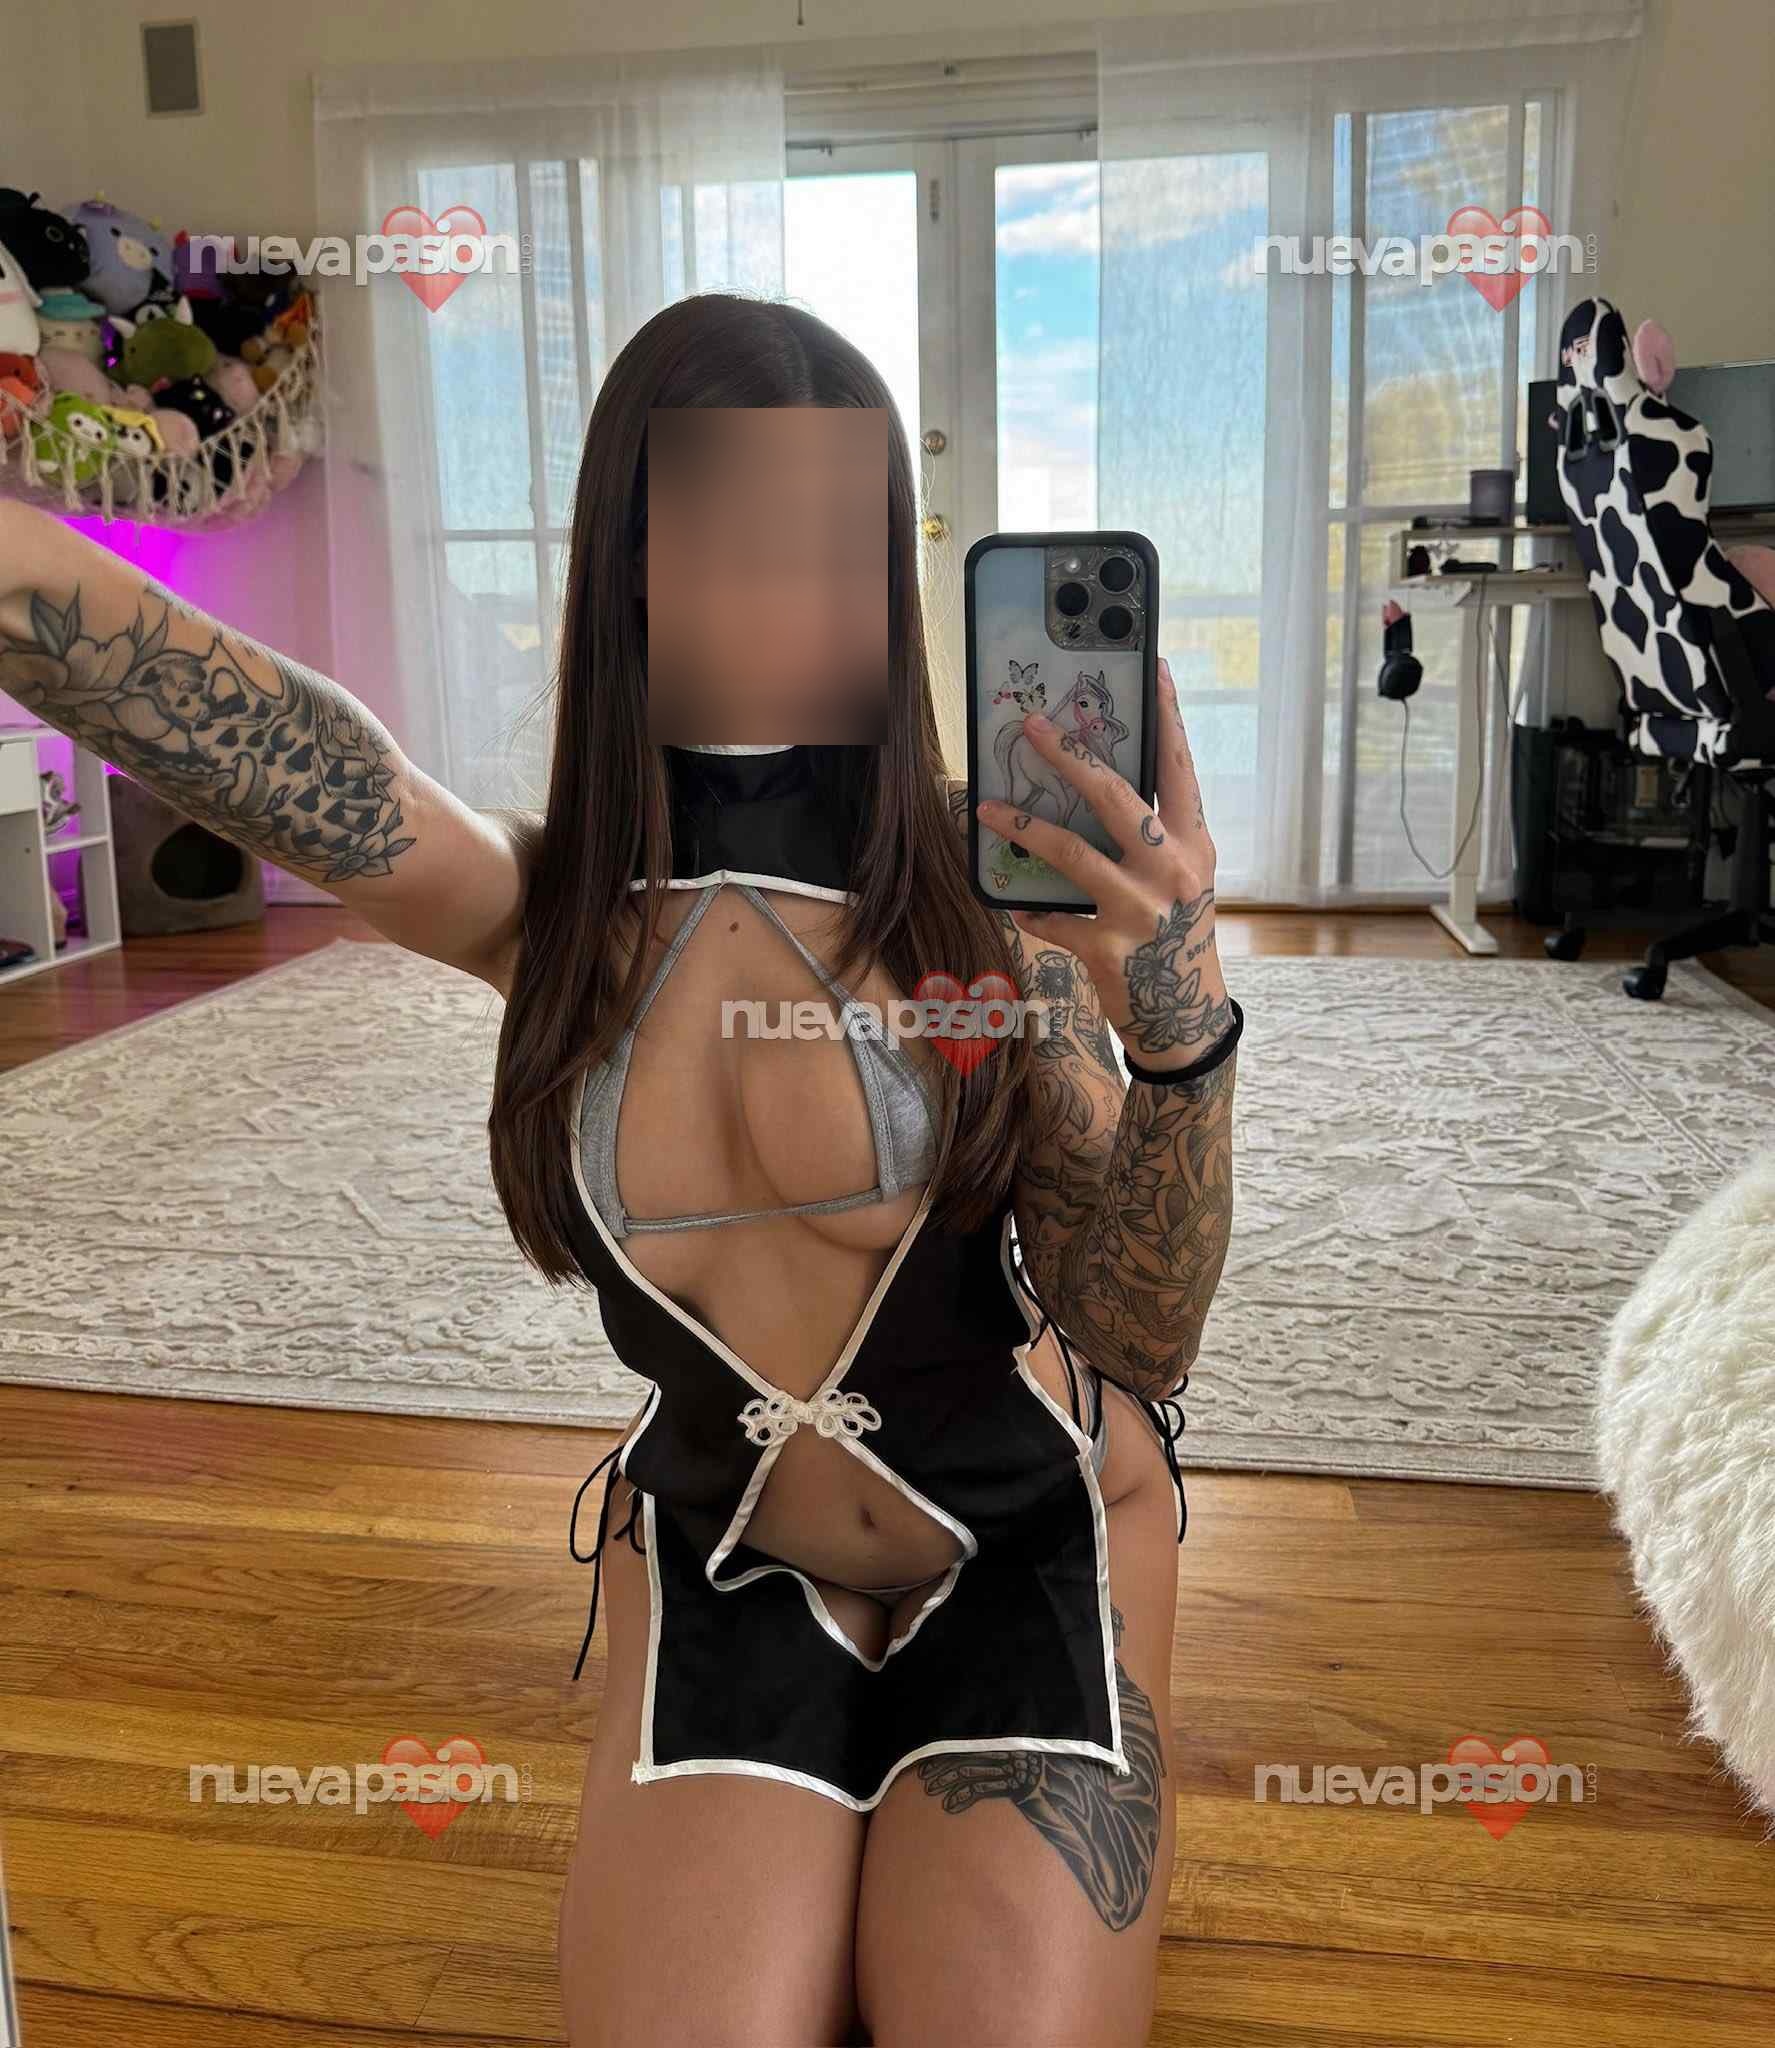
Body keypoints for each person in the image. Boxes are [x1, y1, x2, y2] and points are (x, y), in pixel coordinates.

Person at [0, 291, 1238, 2047]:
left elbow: (1141, 1335)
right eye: (740, 541)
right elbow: (252, 735)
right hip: (727, 1549)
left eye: (842, 549)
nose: (799, 602)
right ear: (632, 564)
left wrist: (1179, 1018)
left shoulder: (983, 923)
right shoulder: (543, 914)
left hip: (1028, 1526)